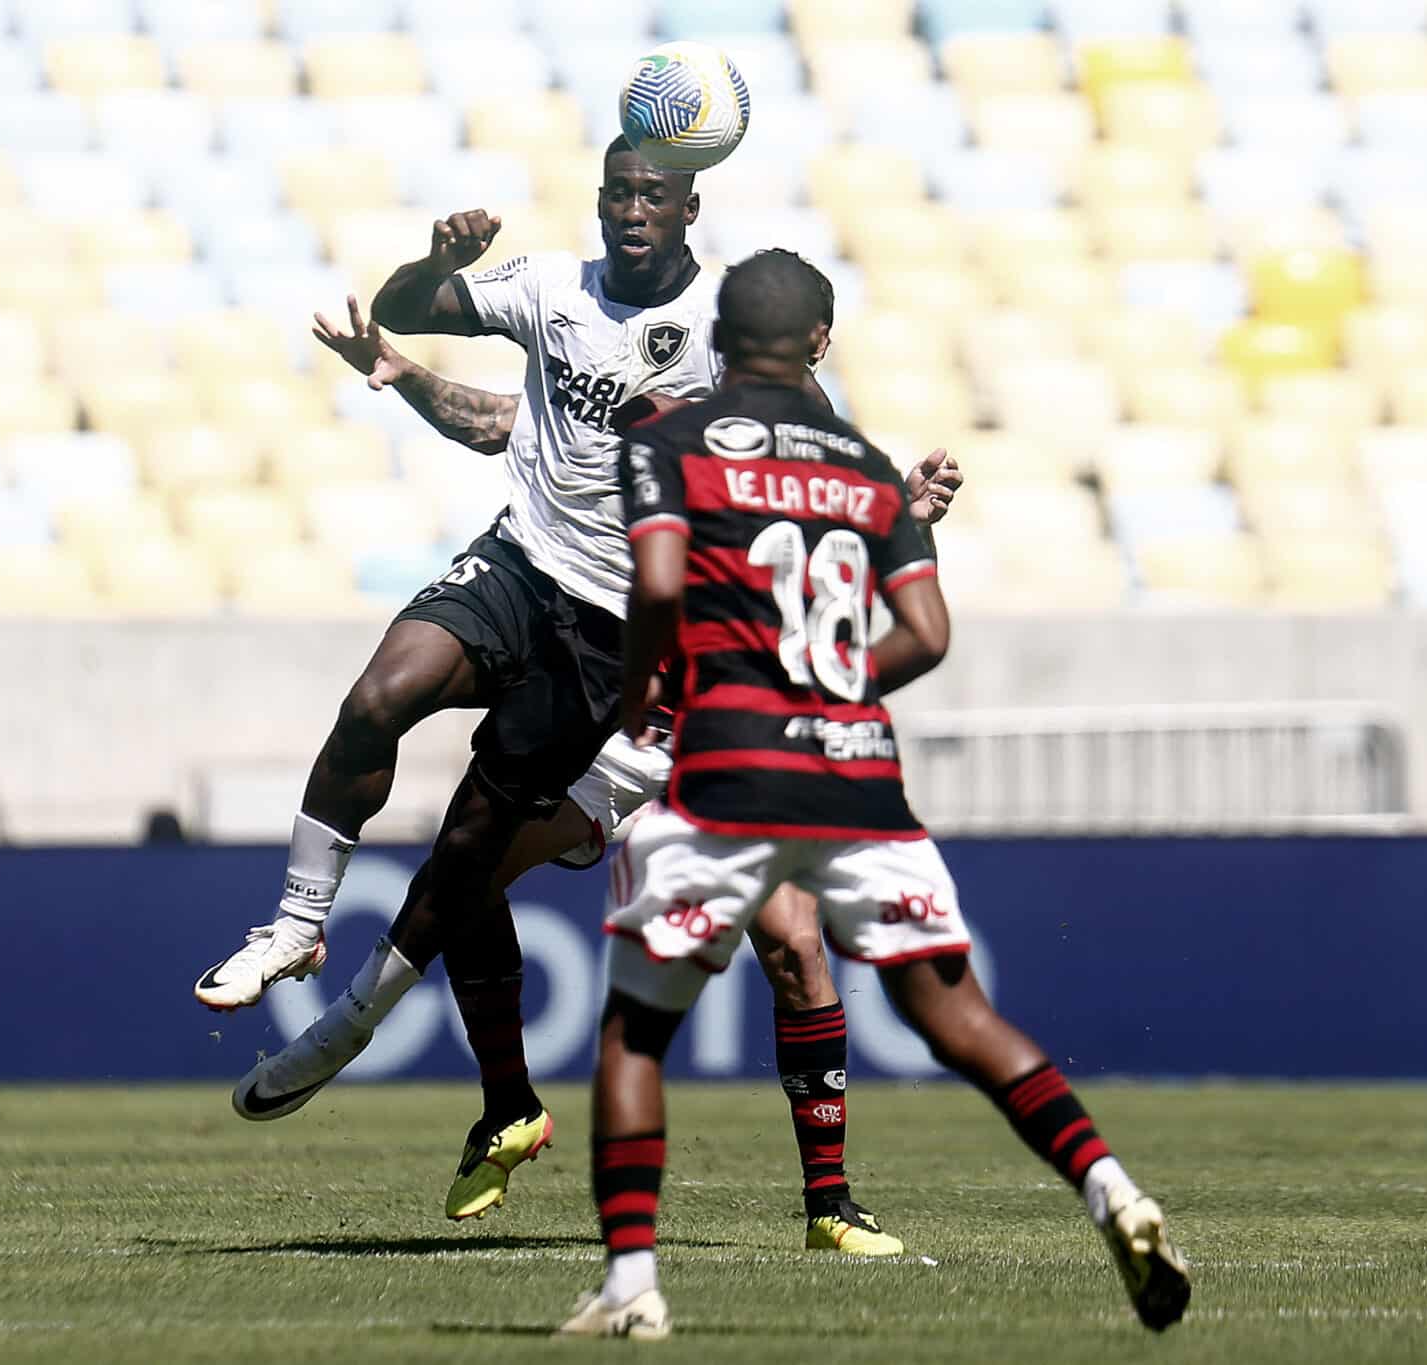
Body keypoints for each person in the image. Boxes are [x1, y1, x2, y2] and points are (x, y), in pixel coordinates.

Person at [203, 140, 958, 1253]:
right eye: (619, 191)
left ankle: (829, 1209)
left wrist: (899, 503)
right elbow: (512, 423)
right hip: (552, 610)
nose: (631, 209)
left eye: (653, 193)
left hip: (684, 695)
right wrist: (409, 358)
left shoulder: (740, 360)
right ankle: (477, 1085)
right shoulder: (561, 297)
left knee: (792, 942)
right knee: (454, 831)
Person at [560, 249, 1190, 1341]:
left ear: (720, 332)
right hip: (853, 768)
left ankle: (629, 1288)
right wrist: (833, 683)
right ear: (816, 339)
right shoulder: (859, 468)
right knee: (957, 1014)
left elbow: (659, 585)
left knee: (635, 1031)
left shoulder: (670, 441)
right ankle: (1112, 1192)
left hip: (729, 767)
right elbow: (929, 634)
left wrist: (649, 697)